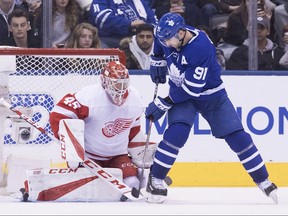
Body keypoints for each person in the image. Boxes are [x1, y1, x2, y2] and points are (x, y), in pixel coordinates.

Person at [144, 12, 278, 204]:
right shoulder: (165, 33)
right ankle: (155, 178)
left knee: (238, 137)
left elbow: (191, 89)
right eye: (163, 40)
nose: (166, 43)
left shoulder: (201, 47)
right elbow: (159, 40)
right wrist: (157, 59)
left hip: (210, 95)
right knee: (177, 133)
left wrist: (162, 102)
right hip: (181, 94)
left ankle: (263, 180)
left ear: (181, 33)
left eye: (169, 40)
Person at [49, 61, 157, 191]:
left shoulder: (135, 99)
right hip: (89, 157)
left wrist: (138, 151)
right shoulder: (89, 96)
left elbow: (133, 131)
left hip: (118, 155)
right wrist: (66, 138)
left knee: (132, 182)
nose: (120, 88)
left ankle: (139, 178)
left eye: (123, 83)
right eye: (116, 83)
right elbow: (58, 114)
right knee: (88, 188)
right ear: (104, 81)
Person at [89, 0, 158, 48]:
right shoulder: (101, 1)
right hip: (112, 40)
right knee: (101, 47)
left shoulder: (140, 2)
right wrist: (129, 24)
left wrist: (144, 28)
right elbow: (101, 17)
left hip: (138, 39)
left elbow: (154, 22)